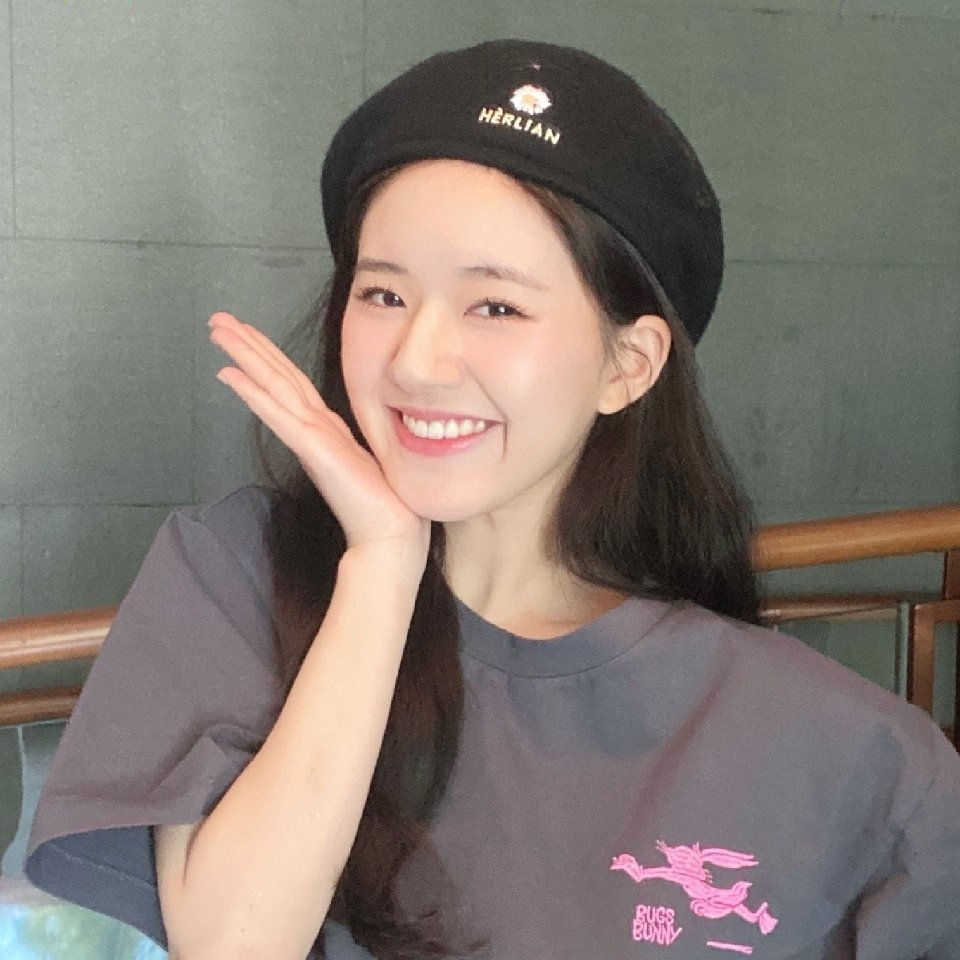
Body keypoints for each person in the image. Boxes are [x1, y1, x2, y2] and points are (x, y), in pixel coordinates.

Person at [22, 38, 960, 960]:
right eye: (383, 295)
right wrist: (383, 564)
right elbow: (234, 943)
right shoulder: (233, 575)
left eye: (496, 307)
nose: (417, 361)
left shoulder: (849, 752)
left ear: (628, 365)